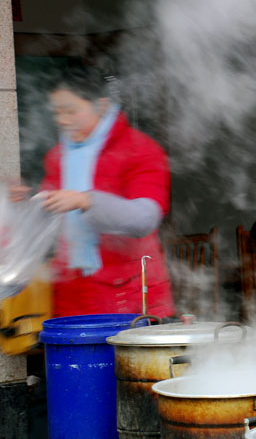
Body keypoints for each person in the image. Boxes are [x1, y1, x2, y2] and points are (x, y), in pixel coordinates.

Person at [11, 67, 174, 318]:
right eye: (57, 112)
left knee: (129, 359)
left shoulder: (139, 149)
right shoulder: (57, 156)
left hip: (127, 294)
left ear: (101, 105)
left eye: (71, 110)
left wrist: (86, 200)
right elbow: (50, 224)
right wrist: (23, 205)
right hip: (70, 292)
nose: (63, 120)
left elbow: (145, 219)